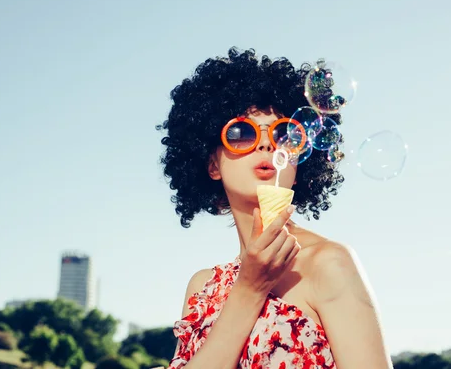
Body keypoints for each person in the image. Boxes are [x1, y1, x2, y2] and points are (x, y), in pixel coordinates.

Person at [157, 47, 392, 369]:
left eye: (285, 133)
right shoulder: (202, 287)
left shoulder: (329, 264)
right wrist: (250, 287)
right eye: (241, 133)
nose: (268, 144)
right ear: (211, 164)